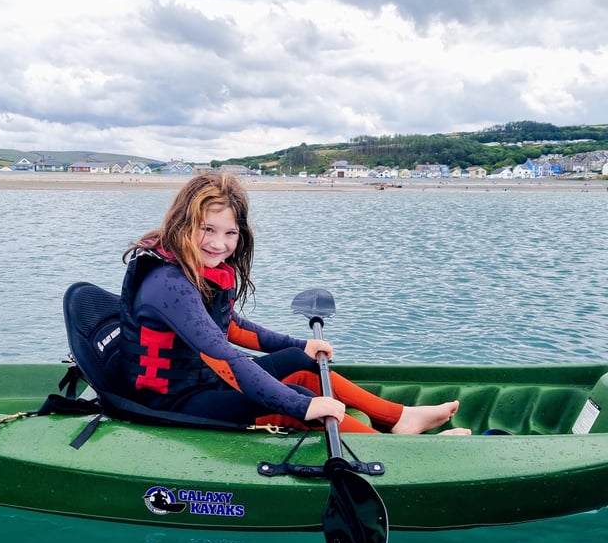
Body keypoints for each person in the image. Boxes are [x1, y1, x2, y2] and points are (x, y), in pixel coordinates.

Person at [118, 172, 470, 435]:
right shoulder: (168, 283)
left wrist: (300, 345)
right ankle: (390, 450)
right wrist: (301, 405)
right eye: (207, 229)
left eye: (230, 233)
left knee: (300, 362)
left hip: (202, 382)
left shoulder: (198, 268)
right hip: (171, 403)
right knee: (296, 401)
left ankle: (399, 418)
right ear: (183, 223)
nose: (219, 243)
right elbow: (223, 356)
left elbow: (234, 327)